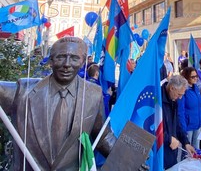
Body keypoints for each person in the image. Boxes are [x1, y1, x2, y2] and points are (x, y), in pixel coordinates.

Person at [0, 37, 117, 170]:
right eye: (60, 57)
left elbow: (102, 135)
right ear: (51, 60)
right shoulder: (22, 91)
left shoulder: (93, 94)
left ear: (83, 61)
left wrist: (128, 158)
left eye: (74, 58)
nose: (67, 64)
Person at [162, 74, 196, 169]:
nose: (180, 98)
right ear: (172, 88)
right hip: (160, 152)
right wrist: (168, 139)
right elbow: (151, 128)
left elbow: (176, 124)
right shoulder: (157, 100)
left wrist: (186, 143)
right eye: (179, 94)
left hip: (171, 151)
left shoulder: (173, 100)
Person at [178, 67, 201, 149]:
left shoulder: (195, 87)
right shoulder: (184, 90)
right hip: (188, 126)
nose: (195, 78)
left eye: (196, 76)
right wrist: (183, 128)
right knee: (187, 150)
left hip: (197, 124)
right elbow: (180, 111)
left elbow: (199, 106)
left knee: (196, 149)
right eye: (193, 77)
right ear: (186, 77)